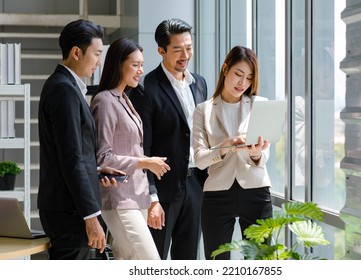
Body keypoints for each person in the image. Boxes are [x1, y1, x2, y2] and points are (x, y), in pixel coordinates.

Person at [37, 19, 126, 260]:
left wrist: (96, 169)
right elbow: (71, 158)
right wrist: (91, 216)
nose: (99, 61)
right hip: (71, 213)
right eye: (97, 53)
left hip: (68, 208)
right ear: (76, 52)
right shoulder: (63, 89)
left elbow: (72, 154)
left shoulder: (65, 86)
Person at [129, 18, 208, 260]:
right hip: (163, 190)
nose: (185, 55)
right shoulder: (145, 87)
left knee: (188, 259)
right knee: (156, 259)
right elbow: (143, 147)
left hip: (196, 185)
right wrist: (152, 198)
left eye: (189, 47)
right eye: (177, 49)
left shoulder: (200, 83)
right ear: (161, 50)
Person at [90, 38, 171, 260]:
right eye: (135, 64)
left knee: (127, 261)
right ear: (118, 64)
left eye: (141, 64)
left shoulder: (125, 99)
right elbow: (103, 157)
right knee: (150, 262)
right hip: (119, 198)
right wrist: (145, 162)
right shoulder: (105, 101)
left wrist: (148, 162)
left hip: (136, 197)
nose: (140, 70)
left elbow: (129, 148)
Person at [192, 46, 273, 260]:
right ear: (225, 68)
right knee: (216, 261)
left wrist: (255, 154)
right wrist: (226, 146)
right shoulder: (203, 109)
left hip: (256, 190)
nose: (242, 83)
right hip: (217, 194)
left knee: (260, 262)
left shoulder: (260, 105)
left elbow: (264, 157)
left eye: (249, 78)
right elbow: (200, 160)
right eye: (238, 74)